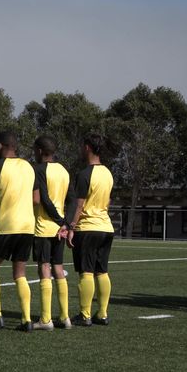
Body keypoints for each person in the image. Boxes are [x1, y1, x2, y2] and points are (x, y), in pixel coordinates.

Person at [0, 131, 42, 332]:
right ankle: (26, 320)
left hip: (6, 226)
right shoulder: (29, 167)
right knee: (20, 273)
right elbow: (36, 199)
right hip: (27, 227)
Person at [66, 134, 114, 326]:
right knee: (102, 271)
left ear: (87, 147)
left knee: (86, 271)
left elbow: (79, 205)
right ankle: (102, 313)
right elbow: (109, 201)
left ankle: (85, 315)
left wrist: (71, 227)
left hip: (87, 228)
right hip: (106, 227)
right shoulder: (108, 173)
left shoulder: (84, 174)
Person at [30, 136, 71, 330]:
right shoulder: (64, 170)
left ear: (39, 151)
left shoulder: (38, 169)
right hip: (60, 230)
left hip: (45, 227)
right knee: (58, 268)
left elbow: (44, 200)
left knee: (44, 268)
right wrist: (67, 224)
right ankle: (65, 317)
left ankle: (46, 319)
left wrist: (60, 221)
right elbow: (72, 200)